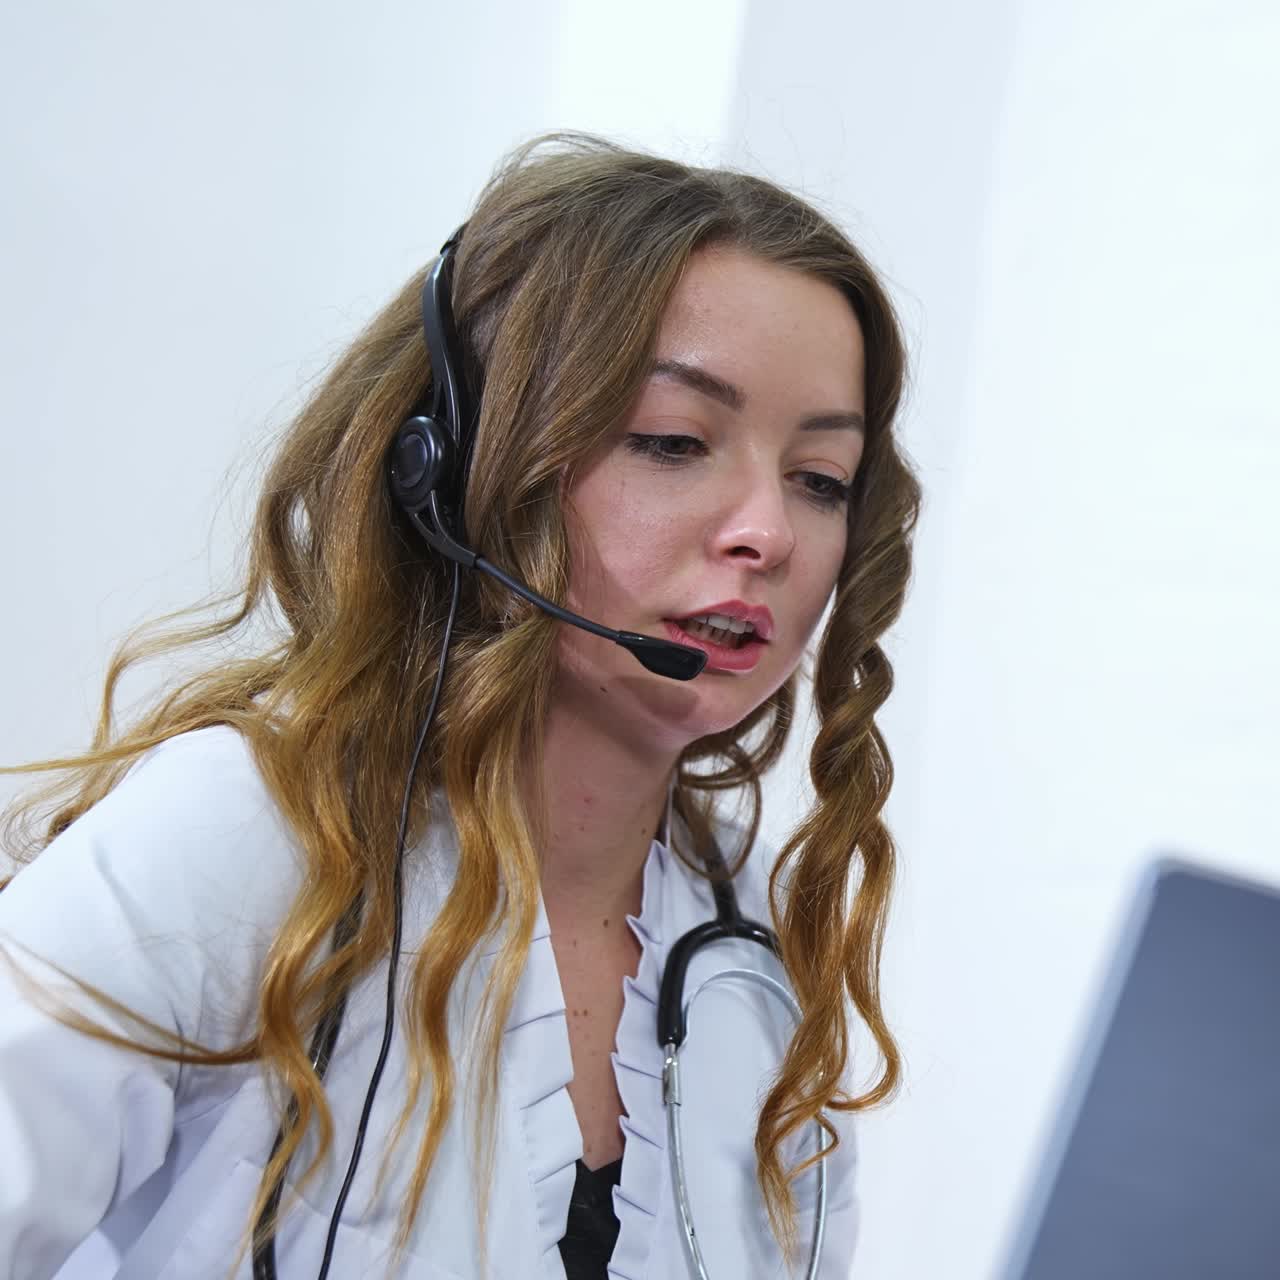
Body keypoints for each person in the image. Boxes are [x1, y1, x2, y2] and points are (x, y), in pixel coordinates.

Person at [0, 131, 922, 1279]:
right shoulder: (250, 832)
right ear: (448, 467)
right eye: (673, 441)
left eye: (819, 479)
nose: (768, 532)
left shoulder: (759, 937)